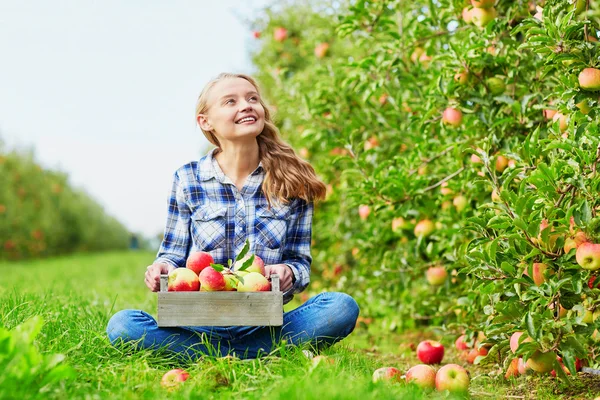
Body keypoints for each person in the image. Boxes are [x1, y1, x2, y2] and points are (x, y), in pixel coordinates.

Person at [106, 73, 360, 360]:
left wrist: (289, 273)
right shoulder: (189, 178)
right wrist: (160, 269)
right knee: (122, 325)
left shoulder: (291, 181)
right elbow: (172, 254)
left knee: (341, 307)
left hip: (265, 323)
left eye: (253, 98)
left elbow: (299, 262)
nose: (247, 105)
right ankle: (260, 355)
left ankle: (208, 355)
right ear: (206, 122)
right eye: (231, 101)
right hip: (197, 324)